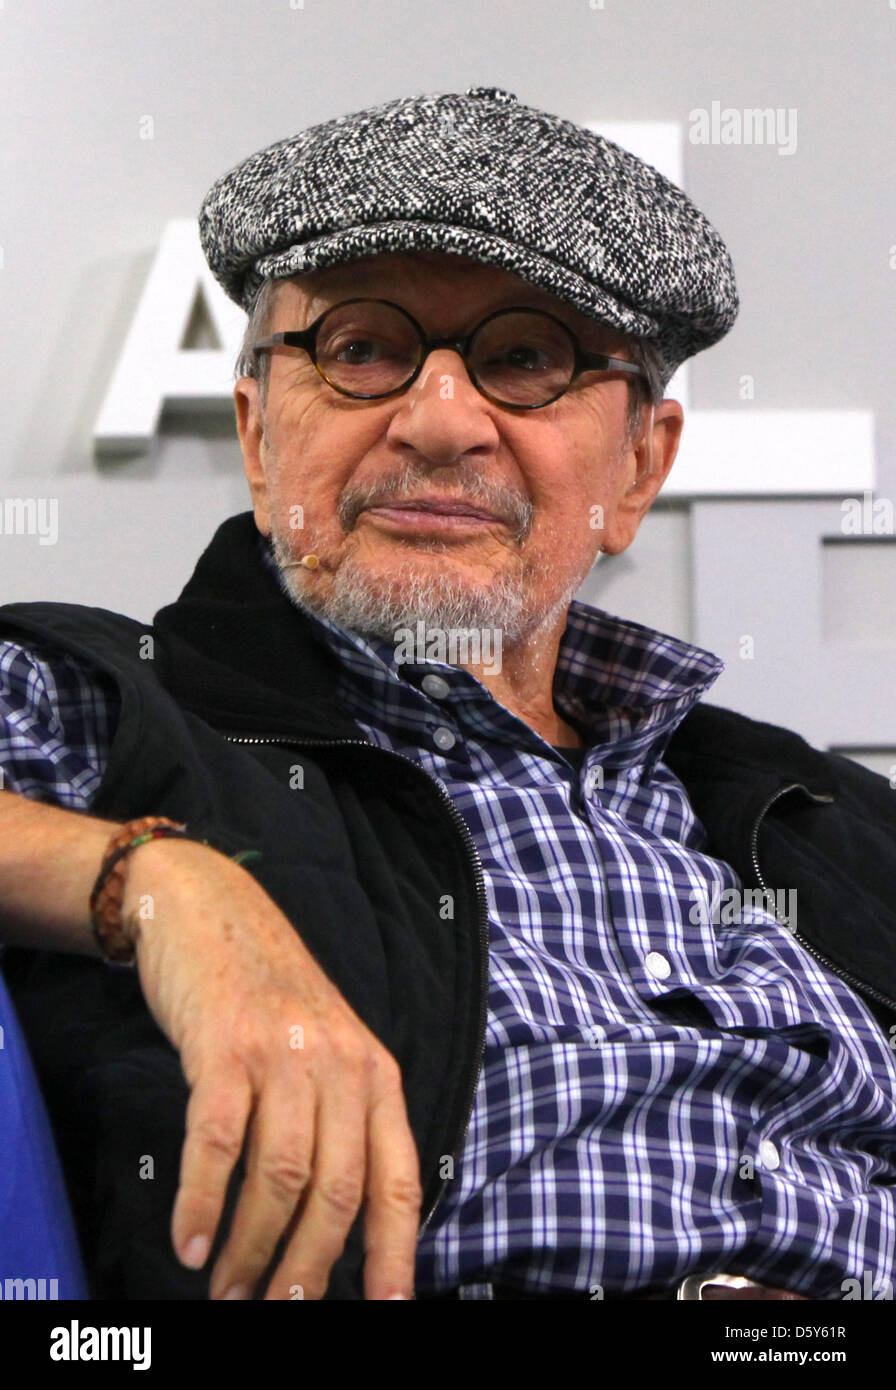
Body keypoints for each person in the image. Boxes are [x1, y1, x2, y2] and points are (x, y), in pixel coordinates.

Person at [1, 86, 895, 1303]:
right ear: (260, 436)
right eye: (362, 350)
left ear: (638, 465)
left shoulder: (817, 815)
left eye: (524, 359)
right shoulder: (104, 706)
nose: (437, 421)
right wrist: (157, 883)